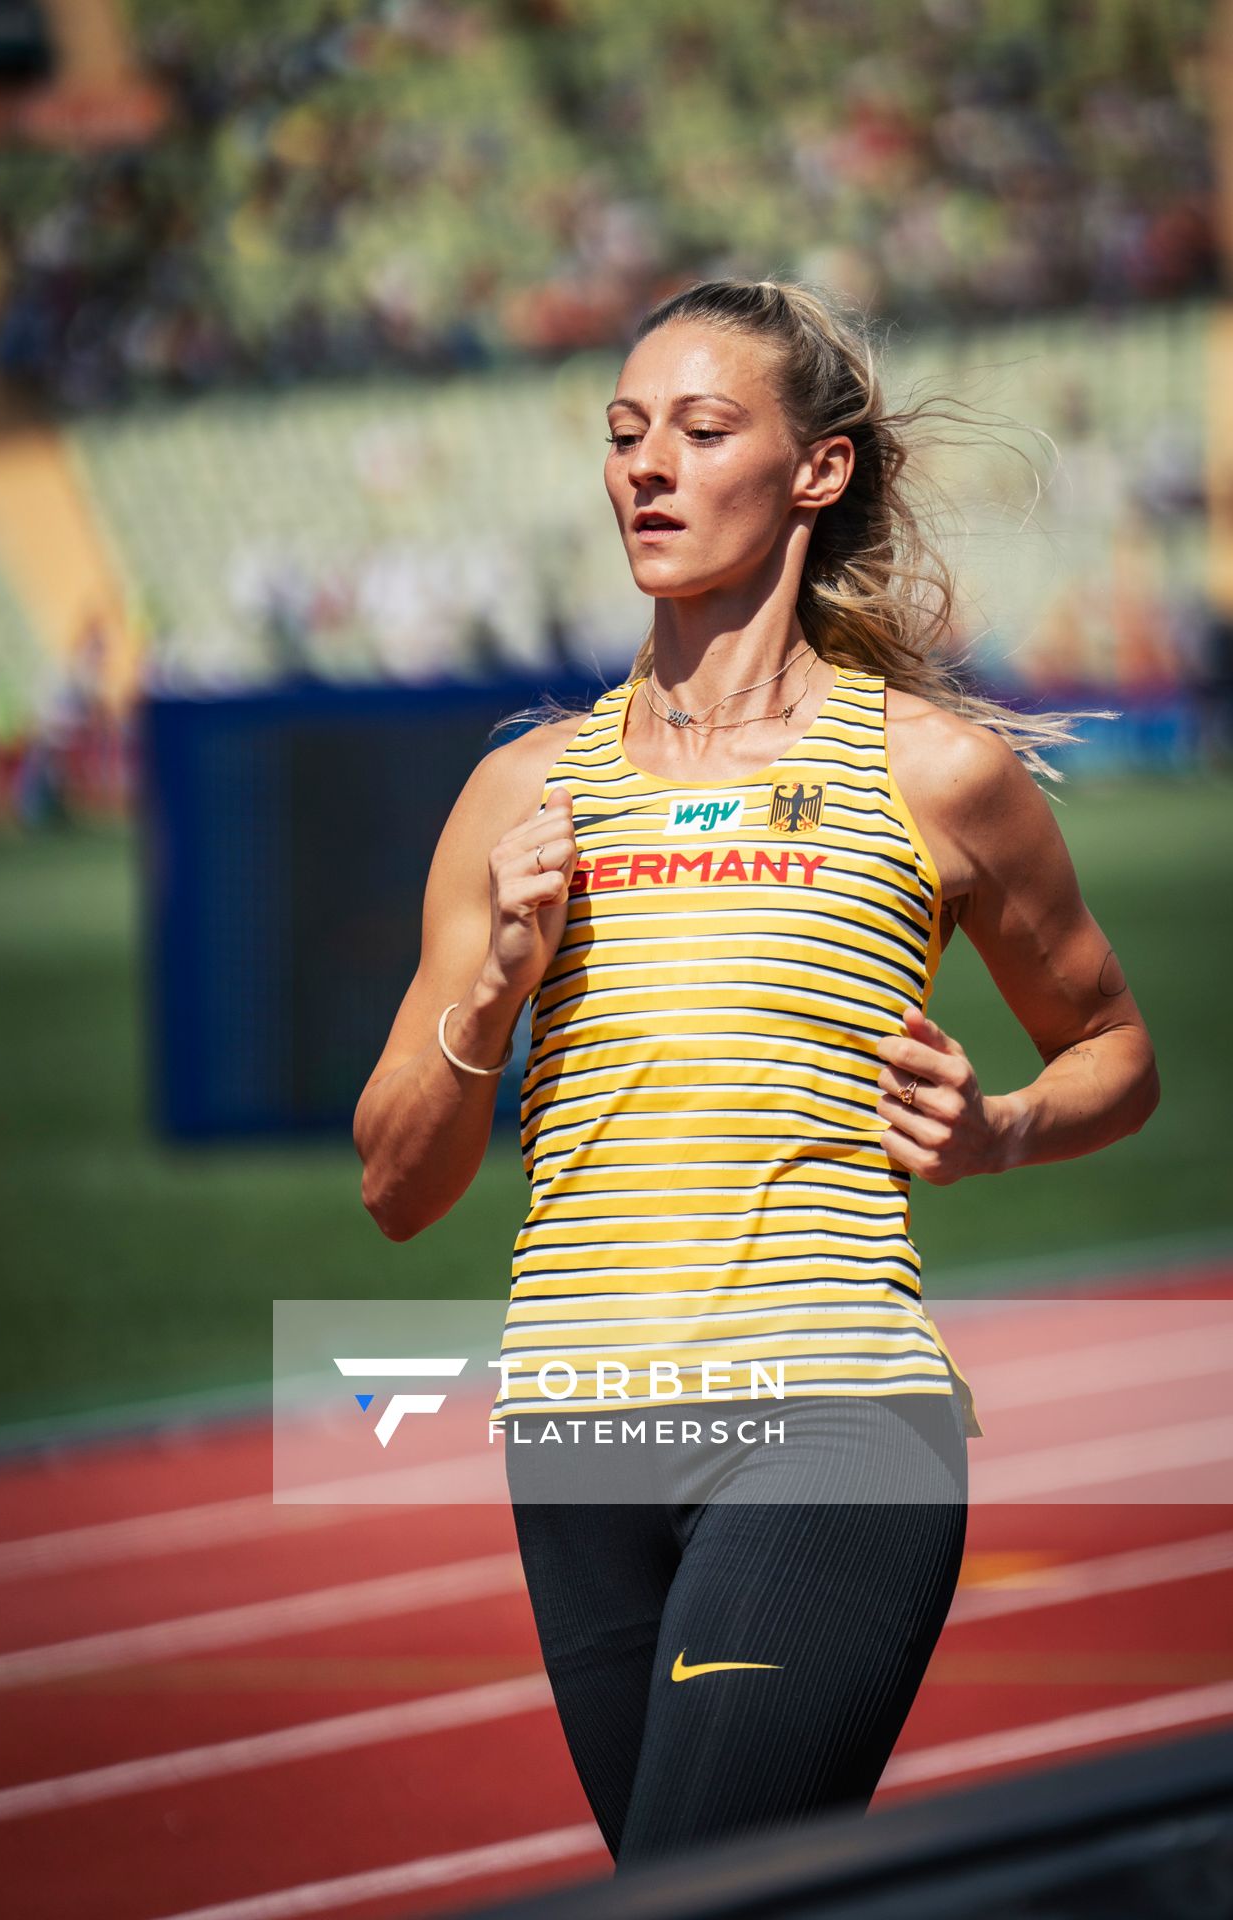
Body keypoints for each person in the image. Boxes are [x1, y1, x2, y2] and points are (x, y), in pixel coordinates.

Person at [353, 278, 1159, 1870]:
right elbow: (395, 1187)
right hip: (579, 1428)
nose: (646, 467)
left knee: (700, 1885)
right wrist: (497, 988)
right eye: (624, 433)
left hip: (832, 1409)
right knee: (696, 1884)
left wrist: (1002, 1129)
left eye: (703, 430)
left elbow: (1114, 1050)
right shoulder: (520, 791)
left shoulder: (935, 773)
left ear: (819, 472)